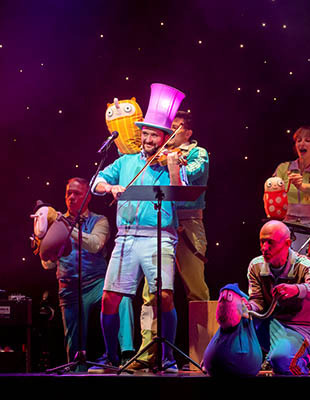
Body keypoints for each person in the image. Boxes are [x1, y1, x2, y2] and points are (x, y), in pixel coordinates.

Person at [89, 83, 187, 373]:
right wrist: (110, 187)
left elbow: (181, 196)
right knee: (109, 299)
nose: (147, 139)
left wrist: (172, 167)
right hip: (126, 238)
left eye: (153, 134)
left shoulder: (171, 163)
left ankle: (168, 359)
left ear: (164, 138)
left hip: (160, 237)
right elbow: (95, 183)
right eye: (144, 133)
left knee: (164, 296)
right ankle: (111, 357)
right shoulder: (126, 162)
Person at [128, 110, 210, 371]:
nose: (172, 131)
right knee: (152, 292)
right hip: (160, 223)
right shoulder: (156, 154)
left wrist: (171, 160)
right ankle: (148, 353)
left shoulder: (198, 153)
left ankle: (204, 354)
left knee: (196, 289)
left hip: (188, 224)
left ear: (188, 132)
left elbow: (192, 175)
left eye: (178, 127)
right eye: (169, 127)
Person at [39, 178, 134, 370]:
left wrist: (66, 227)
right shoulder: (55, 223)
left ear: (88, 197)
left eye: (77, 193)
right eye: (69, 193)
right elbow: (48, 265)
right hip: (69, 288)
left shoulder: (99, 220)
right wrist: (43, 246)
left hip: (97, 284)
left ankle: (126, 354)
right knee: (74, 345)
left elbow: (95, 245)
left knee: (121, 299)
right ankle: (77, 373)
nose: (71, 197)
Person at [246, 220, 310, 374]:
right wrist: (247, 307)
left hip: (299, 328)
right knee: (232, 304)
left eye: (270, 242)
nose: (264, 248)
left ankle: (297, 363)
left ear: (287, 243)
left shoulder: (304, 264)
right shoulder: (256, 265)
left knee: (281, 361)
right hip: (269, 324)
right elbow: (257, 300)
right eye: (262, 241)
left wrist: (296, 289)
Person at [272, 126, 310, 252]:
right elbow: (271, 192)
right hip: (286, 225)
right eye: (298, 140)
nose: (302, 144)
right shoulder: (283, 168)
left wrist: (301, 186)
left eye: (307, 140)